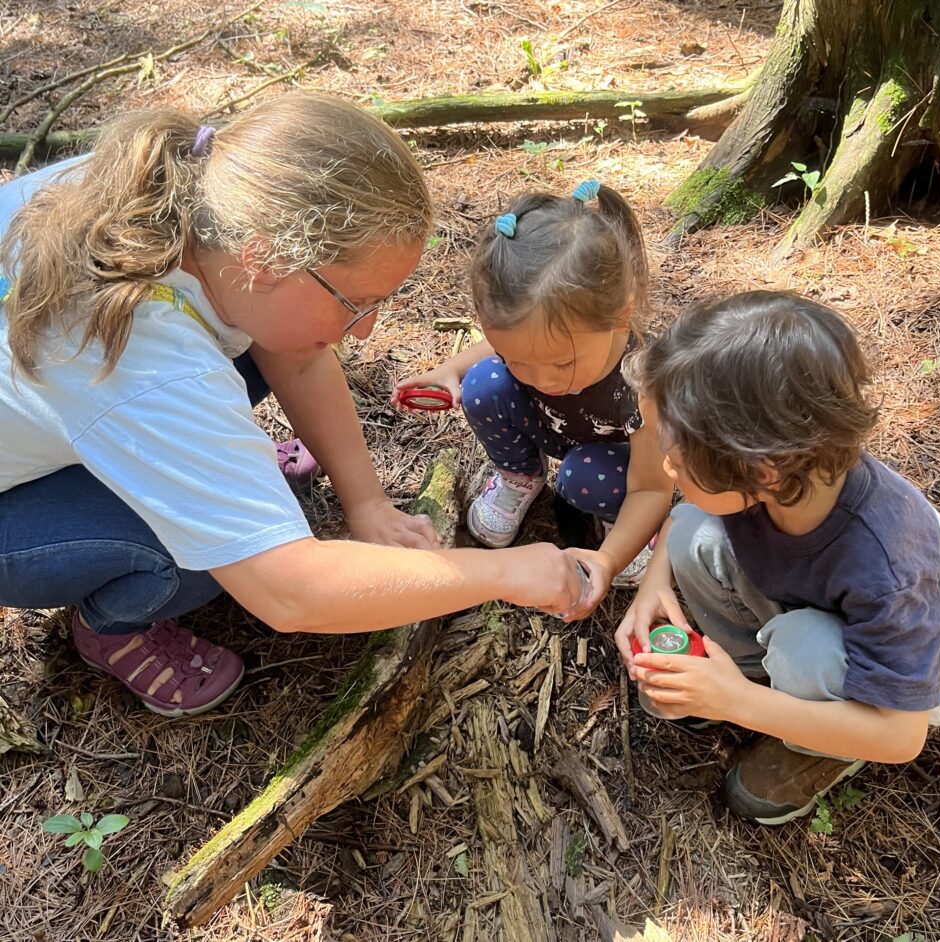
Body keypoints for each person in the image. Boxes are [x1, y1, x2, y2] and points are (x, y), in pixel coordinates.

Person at [0, 93, 584, 718]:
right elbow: (287, 593)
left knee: (279, 342)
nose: (364, 331)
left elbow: (296, 354)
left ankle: (200, 476)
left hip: (70, 410)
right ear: (264, 260)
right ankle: (112, 624)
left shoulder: (201, 190)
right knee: (198, 557)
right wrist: (510, 575)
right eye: (355, 302)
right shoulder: (145, 362)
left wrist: (367, 503)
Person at [615, 291, 940, 825]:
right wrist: (653, 584)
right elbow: (685, 514)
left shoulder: (889, 567)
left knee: (804, 649)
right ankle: (748, 676)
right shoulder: (781, 473)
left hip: (896, 689)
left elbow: (903, 736)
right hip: (804, 601)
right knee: (692, 529)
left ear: (760, 472)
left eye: (675, 455)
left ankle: (822, 743)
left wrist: (734, 703)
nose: (666, 469)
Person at [392, 181, 674, 617]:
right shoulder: (543, 347)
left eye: (561, 364)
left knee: (584, 476)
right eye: (517, 358)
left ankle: (626, 528)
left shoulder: (644, 382)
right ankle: (520, 476)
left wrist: (608, 557)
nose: (541, 380)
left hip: (616, 462)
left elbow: (653, 487)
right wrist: (451, 371)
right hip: (554, 430)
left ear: (620, 316)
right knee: (484, 384)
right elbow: (507, 354)